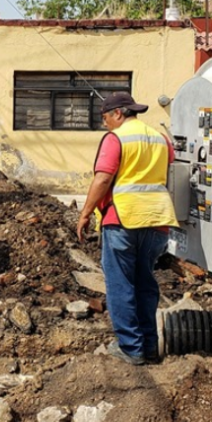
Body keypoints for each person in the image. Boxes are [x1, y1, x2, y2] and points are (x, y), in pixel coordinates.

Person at [76, 92, 178, 365]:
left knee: (121, 285)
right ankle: (150, 346)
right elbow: (172, 173)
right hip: (157, 221)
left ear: (119, 113)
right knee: (145, 282)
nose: (105, 123)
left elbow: (103, 178)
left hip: (123, 219)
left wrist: (85, 214)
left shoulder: (116, 138)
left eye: (106, 117)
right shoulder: (160, 138)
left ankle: (131, 348)